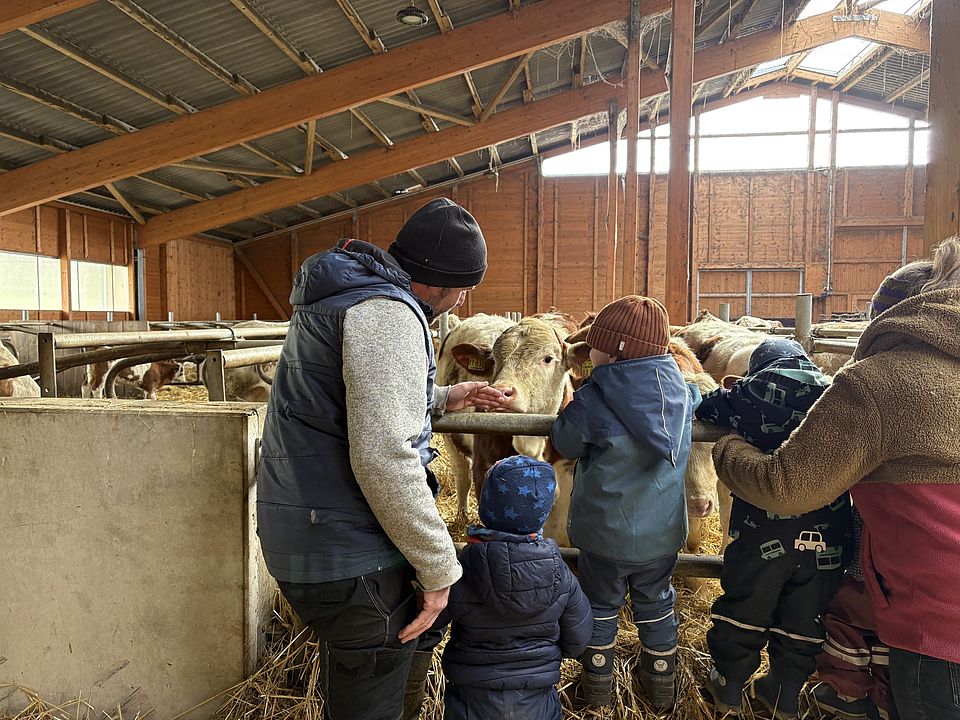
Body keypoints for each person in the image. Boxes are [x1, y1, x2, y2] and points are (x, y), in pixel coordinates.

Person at [256, 198, 506, 720]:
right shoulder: (386, 315)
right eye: (464, 287)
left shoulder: (342, 297)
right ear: (440, 281)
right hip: (346, 550)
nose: (462, 301)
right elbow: (384, 456)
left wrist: (444, 397)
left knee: (386, 660)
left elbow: (346, 402)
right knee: (372, 691)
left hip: (311, 528)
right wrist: (439, 567)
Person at [711, 236, 960, 720]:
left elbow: (788, 486)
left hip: (940, 625)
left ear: (887, 318)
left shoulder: (881, 382)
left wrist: (727, 448)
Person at [550, 295, 699, 710]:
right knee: (657, 602)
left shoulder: (593, 400)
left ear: (616, 350)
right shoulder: (683, 395)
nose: (588, 353)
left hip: (605, 535)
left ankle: (597, 692)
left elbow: (564, 443)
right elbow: (700, 401)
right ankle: (663, 694)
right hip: (662, 535)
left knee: (599, 605)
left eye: (594, 344)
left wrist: (571, 405)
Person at [697, 338, 852, 720]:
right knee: (807, 612)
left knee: (746, 602)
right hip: (828, 533)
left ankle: (729, 684)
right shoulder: (837, 393)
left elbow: (708, 407)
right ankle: (784, 691)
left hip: (761, 531)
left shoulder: (751, 391)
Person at [811, 261, 933, 720]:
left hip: (873, 555)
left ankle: (844, 697)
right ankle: (880, 697)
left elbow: (800, 481)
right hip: (921, 587)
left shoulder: (875, 385)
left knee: (851, 622)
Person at [440, 455, 593, 720]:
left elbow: (433, 620)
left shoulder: (463, 568)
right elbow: (578, 639)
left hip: (471, 698)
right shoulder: (561, 574)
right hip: (538, 699)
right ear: (544, 512)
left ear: (486, 506)